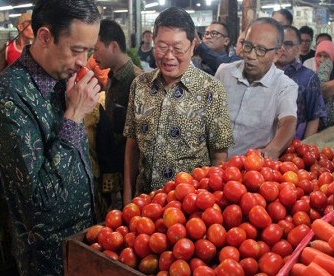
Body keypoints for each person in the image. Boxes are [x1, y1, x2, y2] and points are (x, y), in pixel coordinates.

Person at [0, 0, 101, 274]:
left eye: (89, 50)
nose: (83, 62)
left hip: (84, 239)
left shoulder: (64, 79)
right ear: (45, 37)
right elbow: (39, 202)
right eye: (76, 50)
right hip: (49, 256)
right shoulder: (9, 96)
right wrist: (73, 116)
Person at [123, 7, 233, 204]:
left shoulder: (211, 89)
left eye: (178, 48)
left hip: (189, 211)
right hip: (143, 205)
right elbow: (132, 147)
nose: (169, 56)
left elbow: (219, 155)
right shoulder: (140, 85)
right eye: (162, 47)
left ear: (192, 45)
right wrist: (127, 199)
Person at [216, 17, 298, 160]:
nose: (251, 55)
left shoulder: (285, 86)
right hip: (213, 165)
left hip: (248, 170)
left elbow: (288, 122)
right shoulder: (224, 73)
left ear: (277, 54)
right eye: (247, 46)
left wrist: (273, 149)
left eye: (261, 50)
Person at [92, 19, 143, 207]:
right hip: (115, 165)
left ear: (113, 46)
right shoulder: (112, 76)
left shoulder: (137, 81)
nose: (93, 55)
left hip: (130, 169)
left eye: (96, 49)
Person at [275, 26, 326, 139]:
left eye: (288, 44)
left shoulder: (308, 77)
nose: (282, 48)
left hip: (293, 144)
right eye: (278, 42)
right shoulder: (263, 71)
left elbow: (314, 117)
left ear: (298, 49)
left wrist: (304, 147)